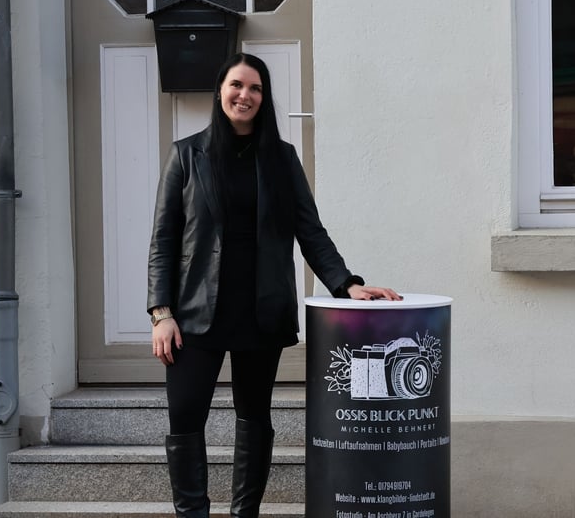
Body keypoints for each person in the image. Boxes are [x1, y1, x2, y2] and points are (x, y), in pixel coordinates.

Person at [147, 52, 401, 518]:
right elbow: (164, 240)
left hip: (260, 312)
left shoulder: (281, 158)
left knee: (254, 417)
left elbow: (310, 230)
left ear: (264, 99)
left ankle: (245, 514)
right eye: (236, 85)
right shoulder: (186, 154)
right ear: (220, 91)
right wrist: (161, 314)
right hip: (194, 315)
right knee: (184, 418)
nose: (245, 95)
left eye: (256, 88)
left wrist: (346, 285)